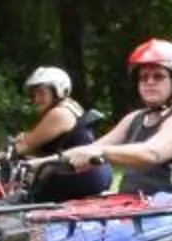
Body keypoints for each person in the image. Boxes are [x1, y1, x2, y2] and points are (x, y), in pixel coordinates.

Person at [60, 39, 172, 196]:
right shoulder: (135, 118)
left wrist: (101, 152)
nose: (149, 82)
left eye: (158, 76)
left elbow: (151, 153)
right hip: (134, 209)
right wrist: (42, 164)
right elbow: (89, 150)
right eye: (143, 77)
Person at [14, 66, 109, 201]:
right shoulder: (70, 106)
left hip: (78, 177)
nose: (36, 99)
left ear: (58, 91)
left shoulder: (59, 113)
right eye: (34, 94)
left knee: (18, 201)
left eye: (42, 93)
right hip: (88, 173)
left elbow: (24, 146)